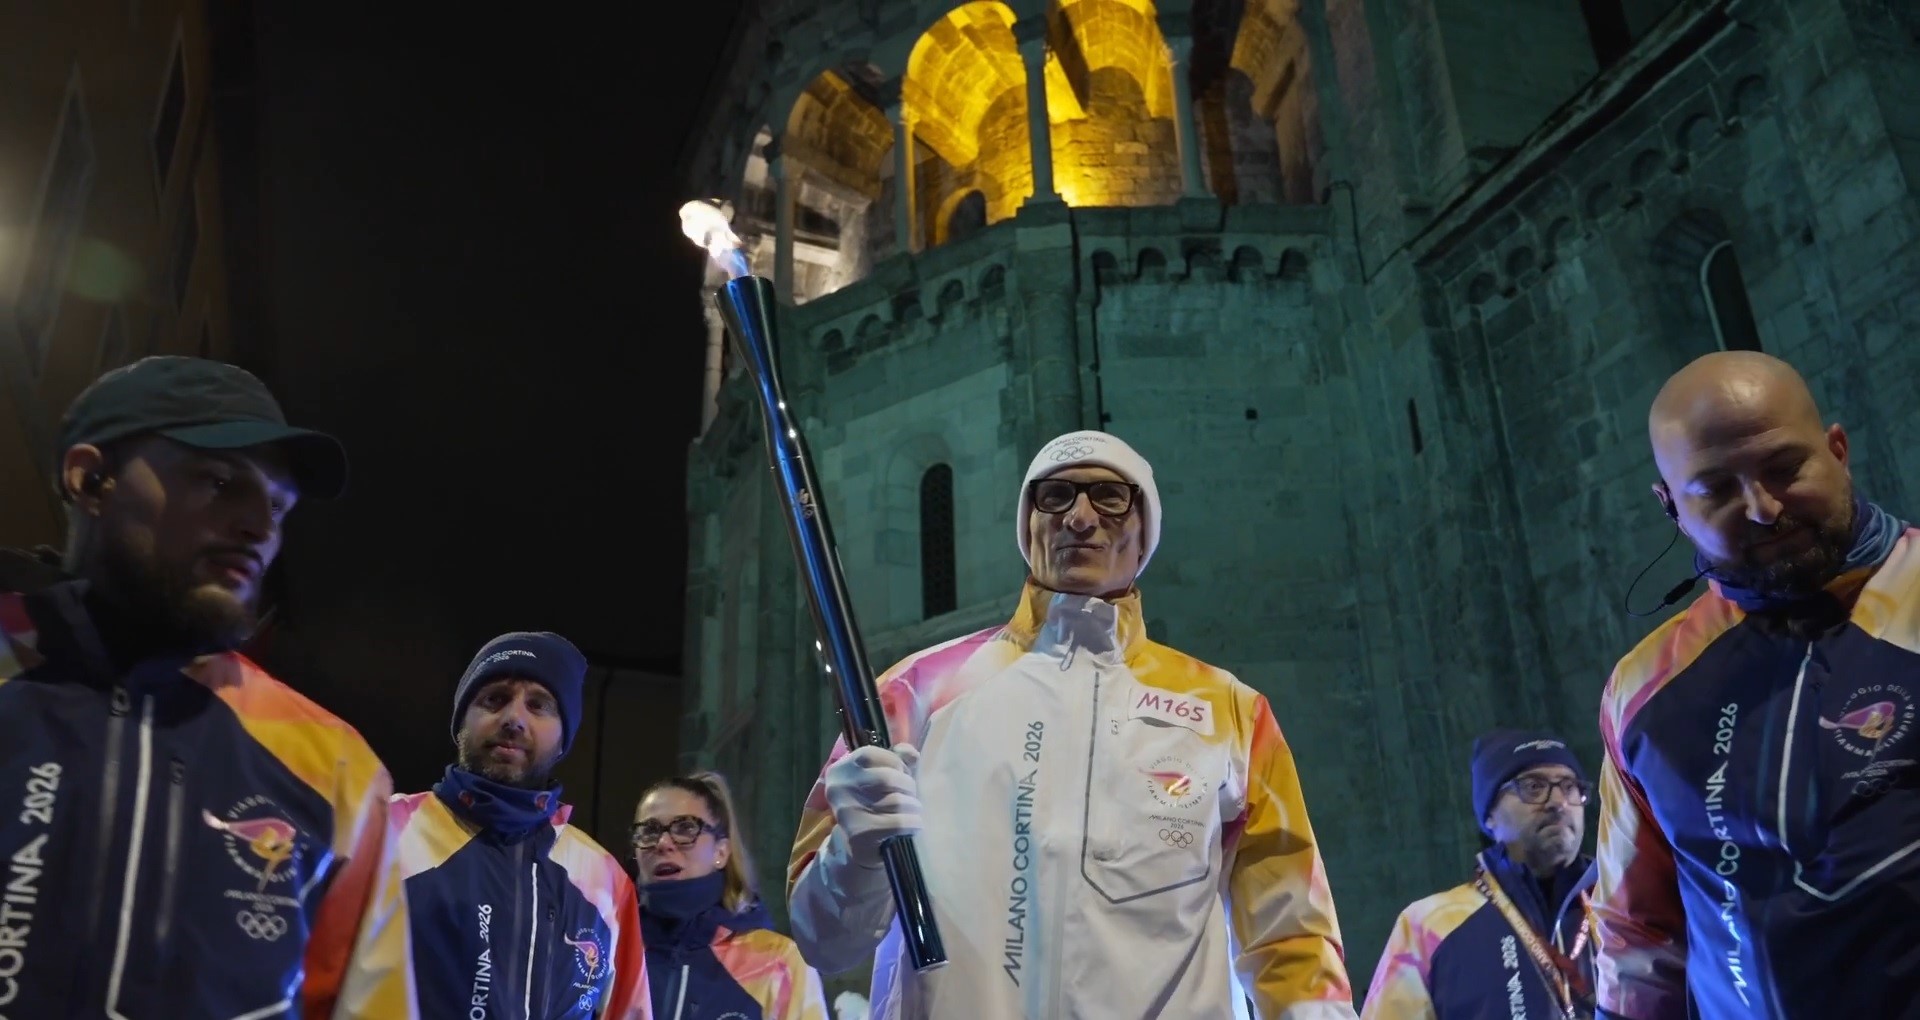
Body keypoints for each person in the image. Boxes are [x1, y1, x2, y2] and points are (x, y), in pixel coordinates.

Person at [785, 430, 1358, 1019]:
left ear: (1146, 532)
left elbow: (1291, 939)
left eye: (1109, 497)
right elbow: (825, 942)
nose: (1080, 517)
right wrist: (854, 852)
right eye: (1055, 496)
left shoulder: (1230, 711)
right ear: (1028, 524)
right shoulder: (914, 691)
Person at [0, 355, 416, 1017]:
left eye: (279, 508)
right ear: (92, 480)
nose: (261, 528)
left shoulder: (334, 766)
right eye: (221, 482)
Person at [1593, 349, 1919, 1019]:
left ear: (1836, 449)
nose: (1764, 508)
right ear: (1670, 507)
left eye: (1785, 468)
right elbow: (1635, 936)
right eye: (1715, 489)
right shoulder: (1644, 687)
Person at [391, 631, 650, 1018]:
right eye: (494, 699)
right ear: (461, 722)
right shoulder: (385, 831)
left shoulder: (604, 879)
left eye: (539, 705)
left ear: (564, 737)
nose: (514, 718)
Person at [1362, 730, 1597, 1020]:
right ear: (1489, 816)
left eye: (1569, 786)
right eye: (1534, 787)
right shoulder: (1429, 926)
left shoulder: (1624, 906)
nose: (1558, 802)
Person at [632, 771, 827, 1019]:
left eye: (685, 828)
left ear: (721, 852)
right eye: (648, 831)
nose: (662, 843)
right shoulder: (612, 952)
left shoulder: (777, 962)